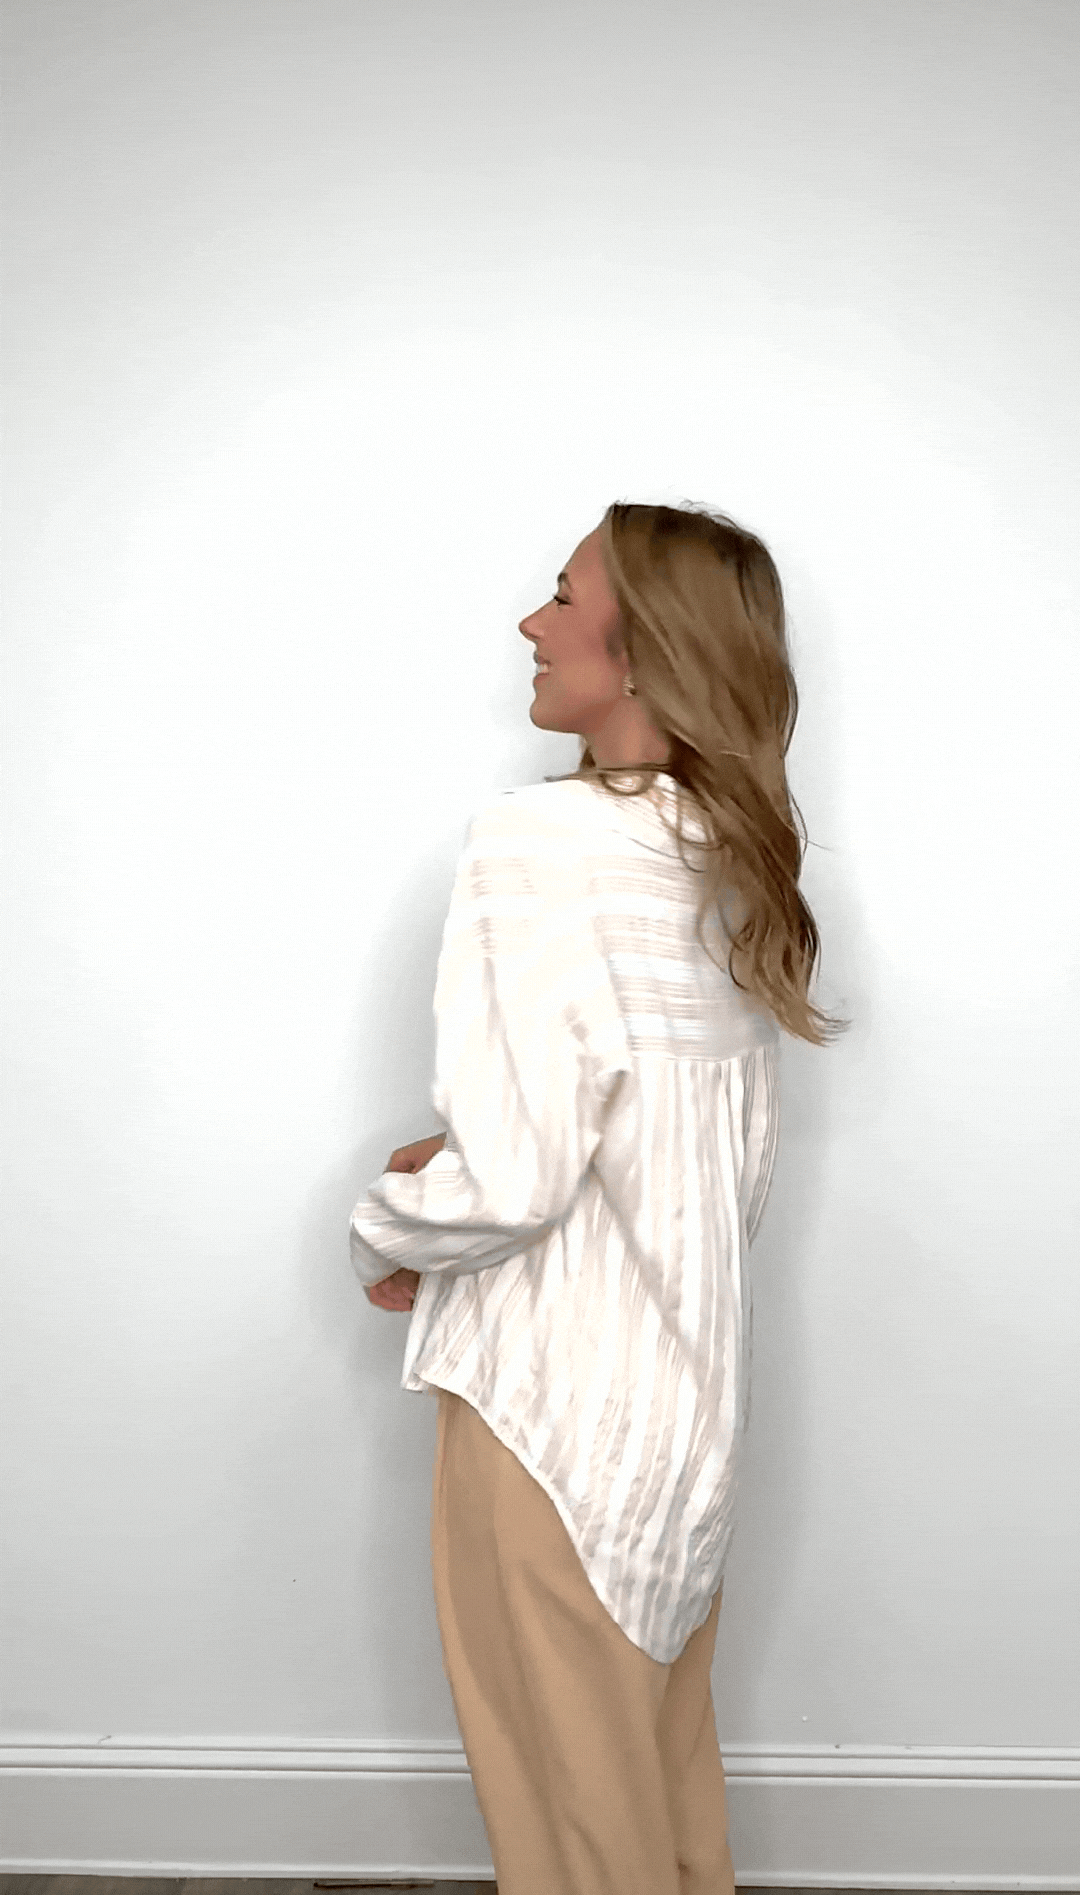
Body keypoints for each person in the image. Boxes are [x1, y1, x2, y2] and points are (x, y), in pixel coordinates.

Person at [349, 501, 848, 1895]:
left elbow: (517, 1175)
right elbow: (682, 1144)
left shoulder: (542, 844)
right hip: (682, 1419)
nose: (530, 621)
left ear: (642, 652)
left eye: (564, 597)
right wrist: (452, 1165)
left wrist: (387, 1227)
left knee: (572, 1843)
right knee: (657, 1818)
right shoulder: (726, 856)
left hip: (548, 1420)